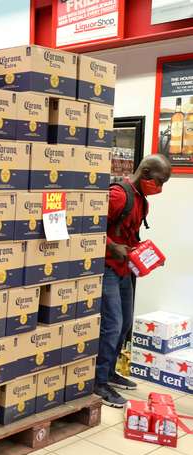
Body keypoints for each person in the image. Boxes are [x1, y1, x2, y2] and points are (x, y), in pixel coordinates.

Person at [96, 154, 171, 407]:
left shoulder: (143, 201)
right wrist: (112, 246)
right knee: (113, 324)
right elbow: (90, 225)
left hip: (124, 269)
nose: (160, 187)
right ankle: (98, 382)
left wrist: (150, 256)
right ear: (146, 172)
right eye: (159, 181)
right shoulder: (118, 195)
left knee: (125, 322)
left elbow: (131, 237)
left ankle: (109, 373)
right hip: (106, 267)